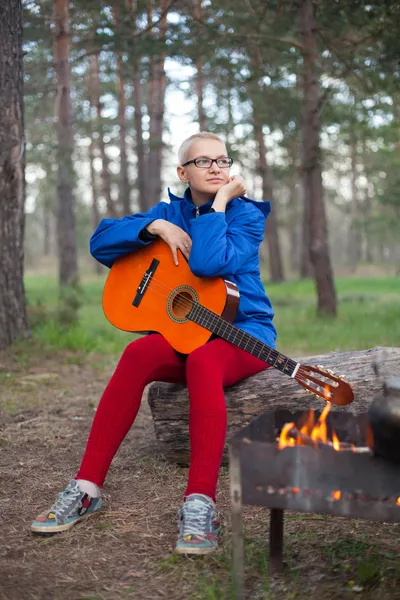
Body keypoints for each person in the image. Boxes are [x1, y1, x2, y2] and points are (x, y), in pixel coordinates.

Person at [31, 132, 276, 555]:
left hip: (243, 333)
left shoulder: (247, 216)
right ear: (183, 172)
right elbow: (100, 241)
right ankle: (86, 487)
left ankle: (199, 503)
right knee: (138, 352)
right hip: (187, 331)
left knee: (203, 361)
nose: (217, 167)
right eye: (204, 162)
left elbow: (208, 262)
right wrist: (156, 226)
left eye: (223, 160)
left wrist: (216, 207)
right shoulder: (170, 212)